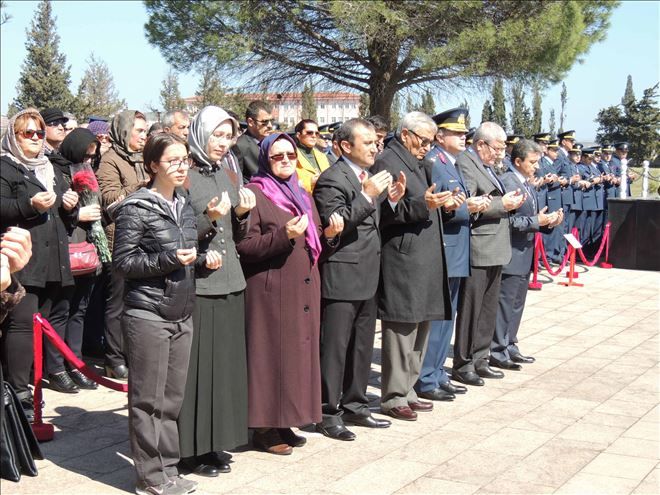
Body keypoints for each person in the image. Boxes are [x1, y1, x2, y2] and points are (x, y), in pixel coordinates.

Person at [113, 132, 222, 495]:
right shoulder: (136, 207)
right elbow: (124, 263)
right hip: (147, 313)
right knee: (148, 400)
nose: (181, 167)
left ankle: (169, 469)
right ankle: (151, 477)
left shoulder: (185, 204)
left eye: (184, 160)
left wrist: (204, 262)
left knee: (172, 399)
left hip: (181, 309)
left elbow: (187, 255)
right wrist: (168, 260)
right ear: (152, 165)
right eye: (172, 161)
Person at [237, 132, 342, 455]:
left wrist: (332, 235)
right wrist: (283, 235)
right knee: (272, 358)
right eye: (277, 156)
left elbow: (314, 243)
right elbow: (246, 246)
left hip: (303, 286)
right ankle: (265, 428)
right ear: (265, 160)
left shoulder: (301, 192)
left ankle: (285, 421)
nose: (285, 161)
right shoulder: (256, 192)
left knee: (295, 358)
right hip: (271, 290)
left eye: (290, 155)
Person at [313, 118, 403, 441]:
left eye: (375, 142)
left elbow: (374, 223)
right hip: (342, 273)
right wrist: (366, 197)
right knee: (335, 348)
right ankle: (326, 410)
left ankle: (355, 403)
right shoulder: (331, 179)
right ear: (345, 146)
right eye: (367, 143)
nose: (375, 147)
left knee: (362, 345)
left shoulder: (370, 178)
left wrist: (390, 200)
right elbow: (335, 224)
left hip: (368, 273)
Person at [177, 106, 255, 477]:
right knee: (198, 371)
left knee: (223, 369)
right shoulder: (184, 175)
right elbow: (177, 229)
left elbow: (235, 234)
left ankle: (213, 443)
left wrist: (241, 215)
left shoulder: (226, 172)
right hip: (200, 284)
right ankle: (188, 449)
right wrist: (208, 221)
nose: (223, 143)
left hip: (231, 280)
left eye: (228, 137)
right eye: (217, 135)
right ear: (199, 134)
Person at [370, 112, 453, 421]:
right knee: (402, 328)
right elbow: (385, 211)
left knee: (421, 326)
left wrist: (441, 203)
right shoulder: (389, 161)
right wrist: (424, 205)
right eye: (423, 141)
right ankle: (393, 396)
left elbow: (422, 200)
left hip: (424, 256)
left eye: (431, 143)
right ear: (405, 135)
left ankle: (409, 389)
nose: (427, 148)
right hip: (403, 257)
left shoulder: (419, 162)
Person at [0, 109, 79, 416]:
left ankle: (33, 386)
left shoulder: (50, 167)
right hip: (22, 261)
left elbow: (61, 212)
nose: (35, 138)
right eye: (27, 133)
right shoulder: (6, 167)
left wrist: (69, 207)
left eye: (39, 133)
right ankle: (18, 393)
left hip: (53, 259)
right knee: (20, 326)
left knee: (41, 324)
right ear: (14, 136)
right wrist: (28, 204)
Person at [416, 108, 487, 402]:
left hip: (456, 250)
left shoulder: (451, 162)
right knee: (438, 319)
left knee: (449, 316)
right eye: (456, 133)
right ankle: (426, 378)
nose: (463, 137)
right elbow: (434, 207)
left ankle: (438, 373)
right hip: (444, 249)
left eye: (464, 133)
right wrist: (465, 208)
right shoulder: (434, 163)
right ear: (440, 136)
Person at [452, 122, 525, 387]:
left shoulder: (487, 166)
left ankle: (481, 359)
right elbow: (469, 202)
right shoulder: (466, 162)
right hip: (479, 247)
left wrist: (510, 203)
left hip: (496, 247)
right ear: (480, 144)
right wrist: (500, 204)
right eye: (497, 147)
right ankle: (464, 362)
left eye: (503, 148)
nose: (500, 153)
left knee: (487, 308)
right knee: (471, 310)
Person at [491, 139, 563, 370]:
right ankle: (497, 349)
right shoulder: (508, 182)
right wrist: (535, 221)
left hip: (525, 253)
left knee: (516, 304)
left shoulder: (526, 183)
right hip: (511, 253)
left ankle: (510, 344)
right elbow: (506, 221)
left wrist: (547, 221)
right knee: (504, 304)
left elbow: (530, 218)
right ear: (518, 161)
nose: (537, 167)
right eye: (533, 162)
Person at [46, 128, 104, 391]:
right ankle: (56, 367)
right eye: (85, 156)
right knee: (61, 309)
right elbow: (51, 208)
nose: (88, 162)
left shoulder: (90, 172)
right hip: (65, 246)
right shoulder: (54, 169)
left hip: (87, 246)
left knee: (79, 310)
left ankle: (76, 363)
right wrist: (76, 214)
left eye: (92, 157)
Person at [97, 110, 149, 380]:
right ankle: (114, 358)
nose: (144, 135)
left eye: (145, 130)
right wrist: (140, 188)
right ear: (124, 131)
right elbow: (109, 202)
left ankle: (134, 353)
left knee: (138, 301)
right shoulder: (110, 160)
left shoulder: (142, 159)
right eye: (139, 130)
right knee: (118, 302)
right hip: (119, 240)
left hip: (144, 240)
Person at [233, 100, 274, 182]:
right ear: (251, 122)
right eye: (264, 122)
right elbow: (237, 180)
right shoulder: (240, 145)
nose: (270, 126)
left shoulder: (273, 142)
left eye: (271, 121)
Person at [294, 119, 330, 192]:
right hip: (305, 198)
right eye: (309, 133)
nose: (314, 136)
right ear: (298, 135)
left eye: (316, 133)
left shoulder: (322, 156)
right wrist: (310, 182)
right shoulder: (291, 155)